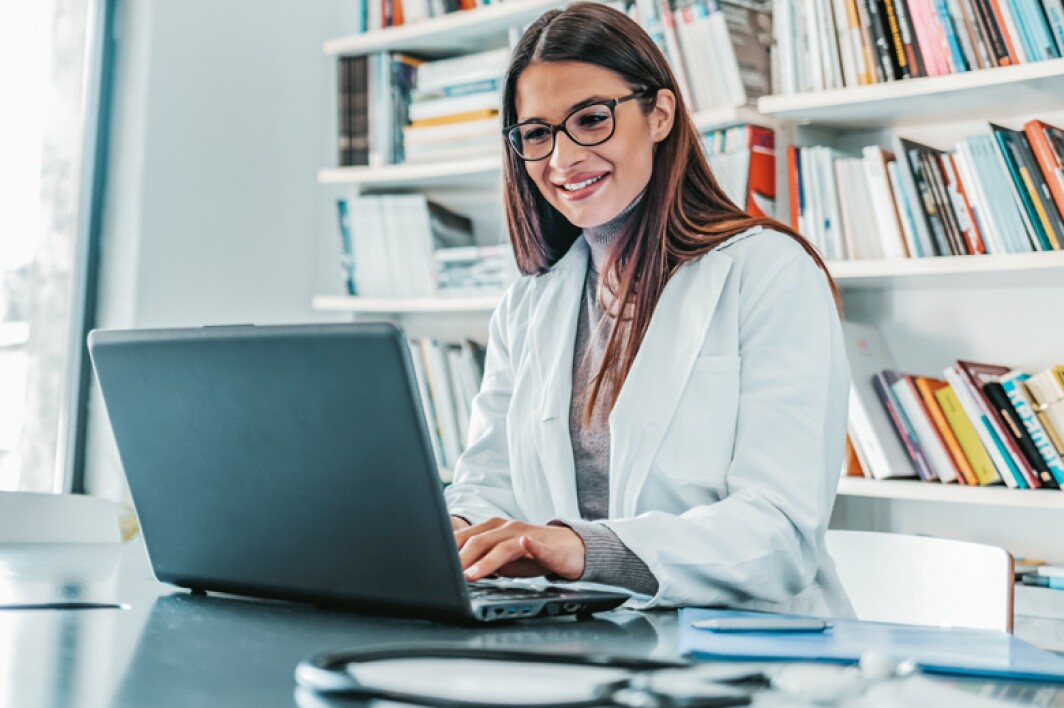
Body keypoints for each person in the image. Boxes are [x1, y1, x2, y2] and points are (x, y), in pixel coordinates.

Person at [444, 2, 853, 617]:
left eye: (590, 119)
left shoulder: (769, 272)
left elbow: (778, 534)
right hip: (577, 640)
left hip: (742, 656)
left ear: (659, 114)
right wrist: (452, 529)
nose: (561, 160)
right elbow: (488, 482)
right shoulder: (529, 303)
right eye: (536, 134)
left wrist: (579, 548)